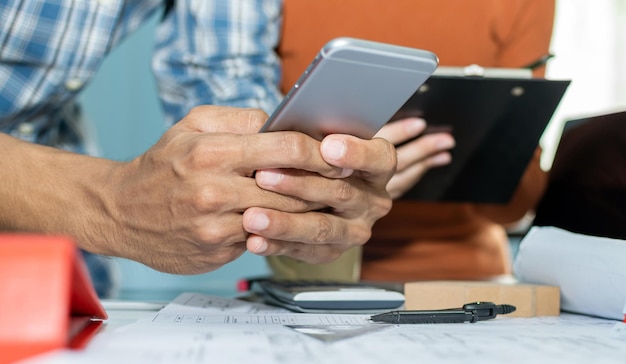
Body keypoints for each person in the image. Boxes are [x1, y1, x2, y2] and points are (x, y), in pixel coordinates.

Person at [0, 1, 397, 297]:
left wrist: (301, 177)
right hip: (69, 218)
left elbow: (221, 72)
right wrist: (108, 206)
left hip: (52, 274)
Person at [189, 0, 554, 282]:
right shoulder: (254, 11)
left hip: (472, 282)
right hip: (320, 272)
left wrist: (489, 144)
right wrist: (354, 174)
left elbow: (517, 204)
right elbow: (252, 170)